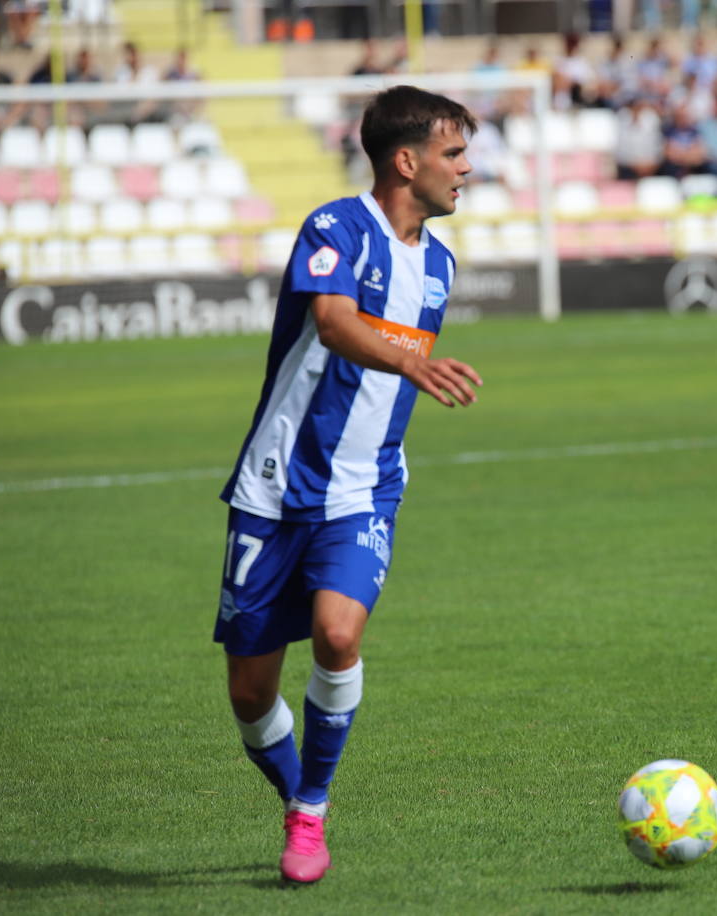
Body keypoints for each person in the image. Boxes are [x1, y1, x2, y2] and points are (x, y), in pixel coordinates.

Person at [216, 85, 484, 884]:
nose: (467, 169)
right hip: (272, 487)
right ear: (407, 161)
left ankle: (312, 810)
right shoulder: (335, 228)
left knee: (337, 635)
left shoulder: (440, 263)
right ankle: (297, 795)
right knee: (250, 693)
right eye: (454, 154)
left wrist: (407, 374)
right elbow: (333, 321)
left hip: (364, 489)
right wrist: (411, 359)